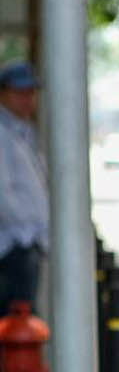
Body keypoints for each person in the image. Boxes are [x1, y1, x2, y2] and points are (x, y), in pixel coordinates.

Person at [0, 61, 48, 316]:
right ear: (4, 93)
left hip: (26, 242)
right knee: (16, 323)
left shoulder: (23, 130)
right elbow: (3, 194)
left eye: (31, 92)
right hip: (12, 244)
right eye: (20, 92)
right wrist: (25, 231)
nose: (27, 99)